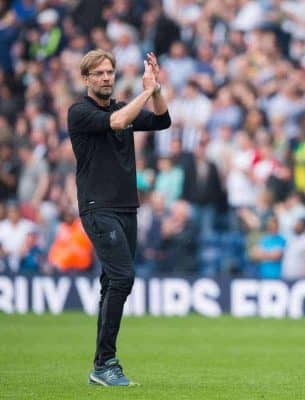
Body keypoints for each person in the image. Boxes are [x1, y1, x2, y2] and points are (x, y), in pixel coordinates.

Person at [67, 49, 171, 386]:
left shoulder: (120, 107)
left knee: (113, 282)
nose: (107, 78)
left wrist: (155, 89)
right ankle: (105, 363)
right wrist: (144, 91)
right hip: (99, 207)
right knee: (123, 277)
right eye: (99, 73)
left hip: (127, 207)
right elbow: (118, 122)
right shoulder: (80, 112)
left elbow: (161, 120)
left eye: (110, 72)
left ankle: (102, 365)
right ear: (87, 79)